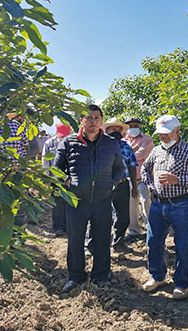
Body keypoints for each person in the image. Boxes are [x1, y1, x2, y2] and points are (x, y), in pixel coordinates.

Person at [55, 105, 125, 292]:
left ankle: (101, 275)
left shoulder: (110, 143)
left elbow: (120, 168)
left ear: (101, 121)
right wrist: (67, 182)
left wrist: (112, 183)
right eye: (89, 118)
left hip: (102, 200)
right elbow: (56, 169)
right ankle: (76, 276)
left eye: (96, 117)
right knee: (75, 240)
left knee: (102, 239)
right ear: (82, 121)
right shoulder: (69, 142)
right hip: (77, 201)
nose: (93, 121)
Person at [140, 115, 188, 300]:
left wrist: (178, 180)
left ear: (177, 131)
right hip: (158, 204)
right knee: (153, 242)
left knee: (182, 245)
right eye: (160, 133)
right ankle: (157, 276)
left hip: (181, 204)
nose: (162, 136)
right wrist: (151, 186)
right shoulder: (156, 151)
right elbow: (144, 169)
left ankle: (181, 283)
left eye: (166, 133)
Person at [101, 118, 139, 253]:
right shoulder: (99, 146)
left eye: (118, 129)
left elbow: (133, 166)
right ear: (106, 131)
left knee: (123, 217)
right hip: (103, 186)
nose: (116, 132)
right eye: (113, 129)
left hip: (122, 185)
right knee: (99, 217)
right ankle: (91, 246)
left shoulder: (126, 147)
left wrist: (134, 187)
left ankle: (118, 243)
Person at [123, 117, 154, 242]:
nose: (132, 128)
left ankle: (150, 230)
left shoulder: (147, 139)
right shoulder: (123, 140)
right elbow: (121, 156)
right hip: (129, 179)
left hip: (144, 178)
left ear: (140, 127)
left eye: (135, 125)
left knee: (146, 202)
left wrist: (128, 153)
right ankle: (134, 231)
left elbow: (141, 154)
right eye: (130, 126)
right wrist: (131, 153)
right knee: (131, 206)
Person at [42, 123, 71, 236]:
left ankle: (70, 226)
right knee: (58, 204)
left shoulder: (74, 142)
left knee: (70, 203)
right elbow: (45, 163)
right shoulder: (49, 143)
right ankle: (59, 227)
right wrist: (47, 179)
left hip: (70, 180)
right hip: (56, 181)